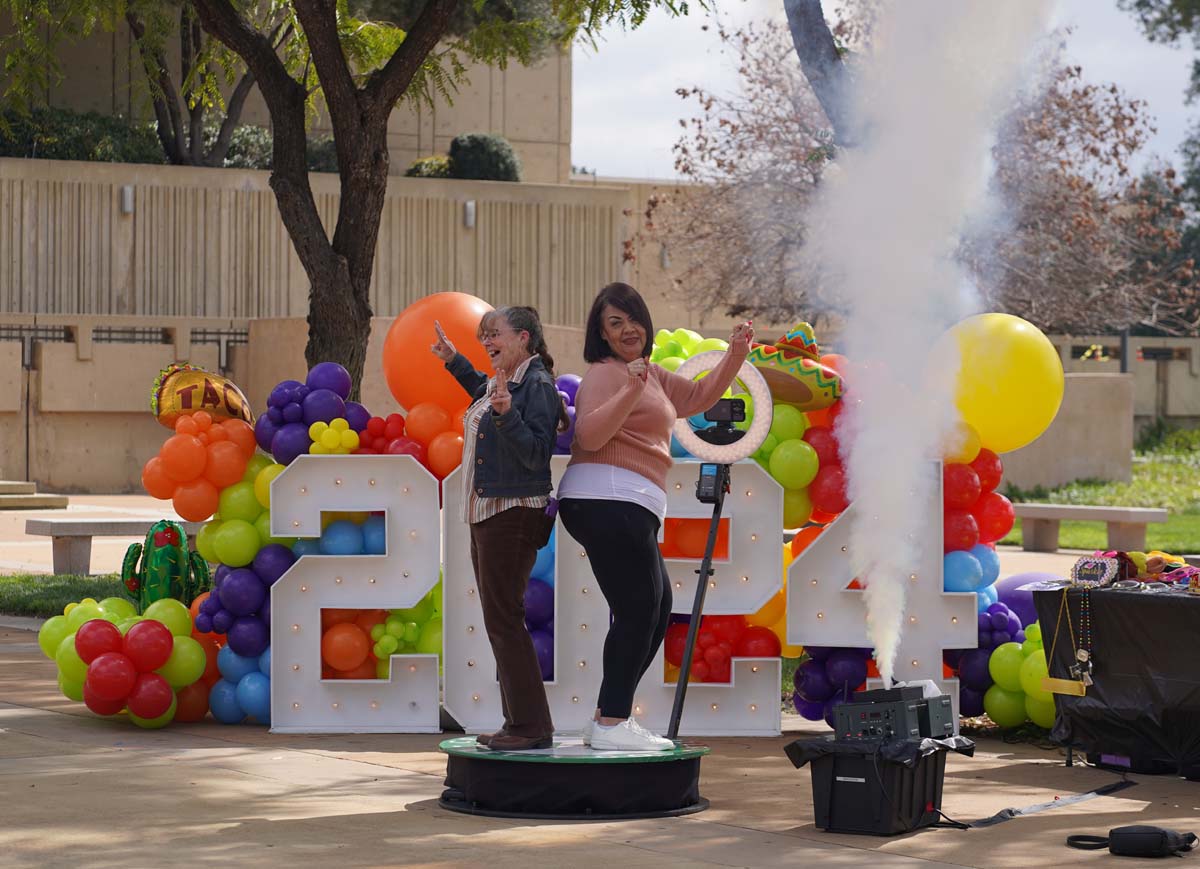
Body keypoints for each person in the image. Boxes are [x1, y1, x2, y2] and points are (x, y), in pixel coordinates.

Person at [558, 282, 753, 751]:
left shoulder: (654, 375)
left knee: (657, 609)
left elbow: (700, 397)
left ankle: (607, 716)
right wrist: (630, 388)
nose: (628, 329)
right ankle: (612, 723)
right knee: (638, 610)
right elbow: (588, 434)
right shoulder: (605, 374)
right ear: (602, 335)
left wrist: (736, 353)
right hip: (607, 499)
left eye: (632, 318)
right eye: (615, 323)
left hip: (630, 504)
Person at [431, 306, 567, 751]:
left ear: (523, 338)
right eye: (482, 336)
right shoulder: (505, 382)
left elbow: (536, 454)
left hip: (512, 514)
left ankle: (529, 727)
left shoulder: (538, 385)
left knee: (505, 620)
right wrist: (453, 360)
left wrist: (507, 416)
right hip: (489, 512)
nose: (487, 341)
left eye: (495, 334)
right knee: (500, 619)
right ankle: (521, 723)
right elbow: (481, 390)